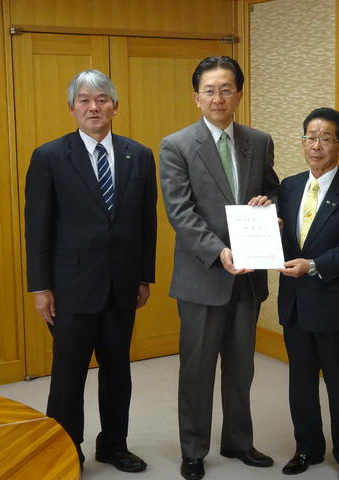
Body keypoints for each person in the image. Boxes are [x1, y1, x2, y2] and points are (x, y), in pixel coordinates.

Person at [24, 69, 157, 473]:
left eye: (101, 99)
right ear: (72, 108)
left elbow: (146, 221)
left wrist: (143, 276)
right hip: (71, 287)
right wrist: (41, 287)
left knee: (118, 374)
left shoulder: (139, 154)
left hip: (121, 286)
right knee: (68, 377)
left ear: (115, 106)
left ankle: (114, 446)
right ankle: (66, 449)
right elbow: (37, 227)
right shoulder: (49, 156)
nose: (93, 106)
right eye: (84, 99)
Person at [159, 56, 279, 480]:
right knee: (197, 369)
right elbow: (181, 212)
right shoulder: (176, 145)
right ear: (196, 97)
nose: (218, 97)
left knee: (241, 368)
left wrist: (271, 206)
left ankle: (239, 442)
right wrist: (218, 251)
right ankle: (193, 449)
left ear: (239, 95)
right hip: (202, 277)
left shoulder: (259, 140)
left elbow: (272, 188)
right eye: (209, 90)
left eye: (226, 88)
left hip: (248, 281)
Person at [277, 108, 339, 480]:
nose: (315, 146)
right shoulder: (288, 186)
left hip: (334, 304)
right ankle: (307, 448)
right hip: (296, 305)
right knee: (300, 384)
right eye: (309, 137)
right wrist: (269, 225)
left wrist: (314, 265)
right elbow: (283, 239)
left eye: (325, 138)